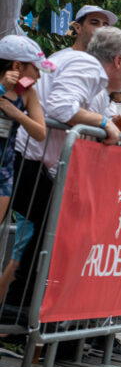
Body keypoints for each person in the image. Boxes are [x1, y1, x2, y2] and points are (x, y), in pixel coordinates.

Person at [8, 27, 121, 321]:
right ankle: (16, 311)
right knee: (48, 226)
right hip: (22, 155)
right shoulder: (87, 65)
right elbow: (60, 106)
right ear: (118, 61)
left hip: (33, 159)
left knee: (49, 227)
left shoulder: (91, 76)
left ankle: (19, 310)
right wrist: (103, 121)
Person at [0, 35, 48, 302]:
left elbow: (40, 131)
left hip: (5, 167)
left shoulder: (26, 90)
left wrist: (16, 111)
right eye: (35, 68)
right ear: (17, 65)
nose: (39, 75)